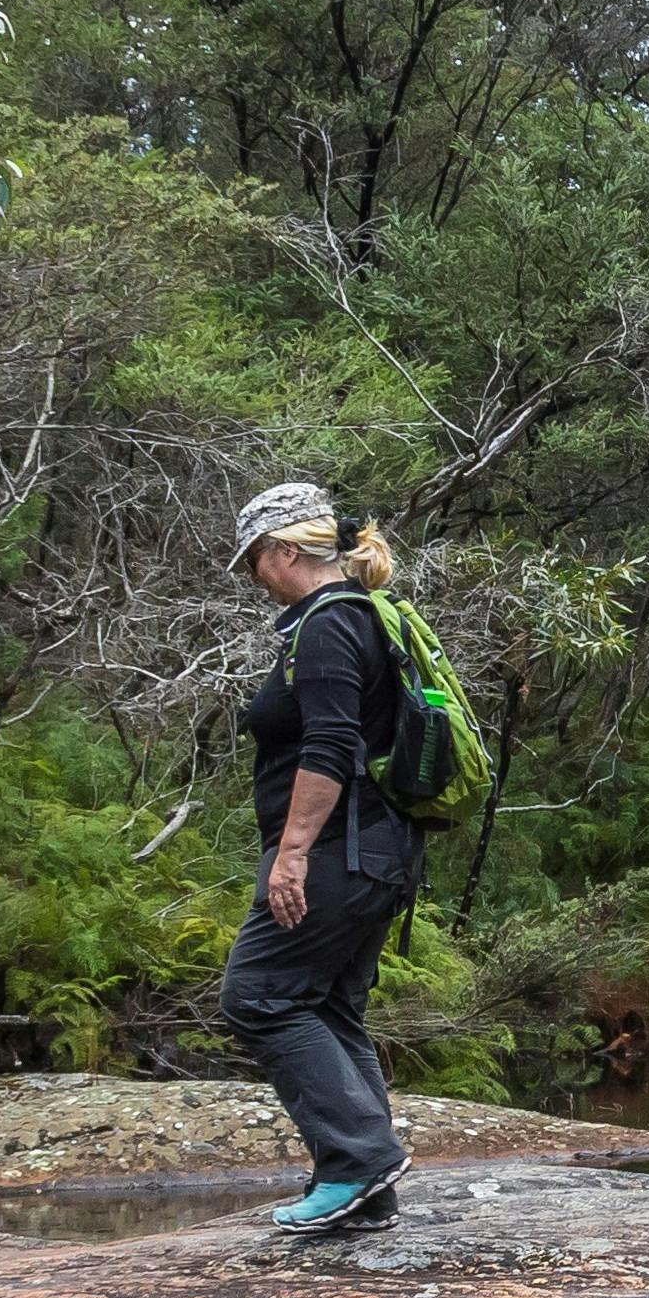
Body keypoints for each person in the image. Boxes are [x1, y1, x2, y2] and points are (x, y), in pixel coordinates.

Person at [223, 482, 426, 1239]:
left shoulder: (331, 625)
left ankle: (357, 1161)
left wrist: (292, 855)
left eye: (254, 562)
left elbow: (332, 746)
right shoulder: (361, 618)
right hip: (377, 848)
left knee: (260, 993)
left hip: (342, 848)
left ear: (284, 552)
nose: (253, 577)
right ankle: (365, 1192)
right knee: (330, 1002)